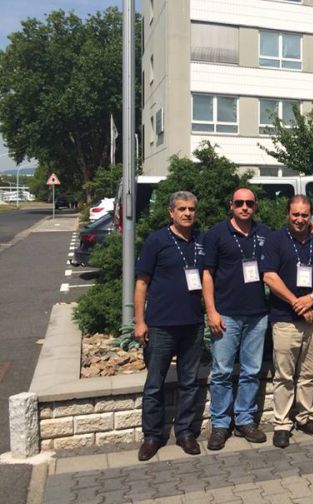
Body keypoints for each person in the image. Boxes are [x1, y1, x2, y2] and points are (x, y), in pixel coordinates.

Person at [134, 191, 205, 461]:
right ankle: (152, 436)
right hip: (161, 325)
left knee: (189, 382)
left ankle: (185, 432)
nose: (187, 213)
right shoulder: (157, 241)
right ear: (171, 212)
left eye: (191, 209)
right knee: (155, 384)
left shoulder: (201, 241)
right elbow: (141, 284)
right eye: (182, 209)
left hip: (192, 325)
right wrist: (140, 321)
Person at [263, 196, 313, 448]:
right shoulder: (276, 240)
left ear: (311, 215)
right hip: (285, 321)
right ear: (288, 214)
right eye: (295, 214)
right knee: (284, 376)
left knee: (309, 374)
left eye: (305, 215)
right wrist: (297, 301)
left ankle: (306, 417)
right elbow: (269, 276)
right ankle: (282, 423)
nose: (300, 219)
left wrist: (312, 298)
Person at [202, 187, 271, 450]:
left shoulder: (264, 234)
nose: (245, 207)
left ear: (255, 206)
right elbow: (207, 274)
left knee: (251, 371)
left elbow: (287, 244)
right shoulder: (217, 234)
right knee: (221, 372)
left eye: (249, 203)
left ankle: (244, 419)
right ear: (231, 205)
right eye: (239, 203)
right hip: (226, 315)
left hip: (257, 315)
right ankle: (220, 424)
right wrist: (211, 311)